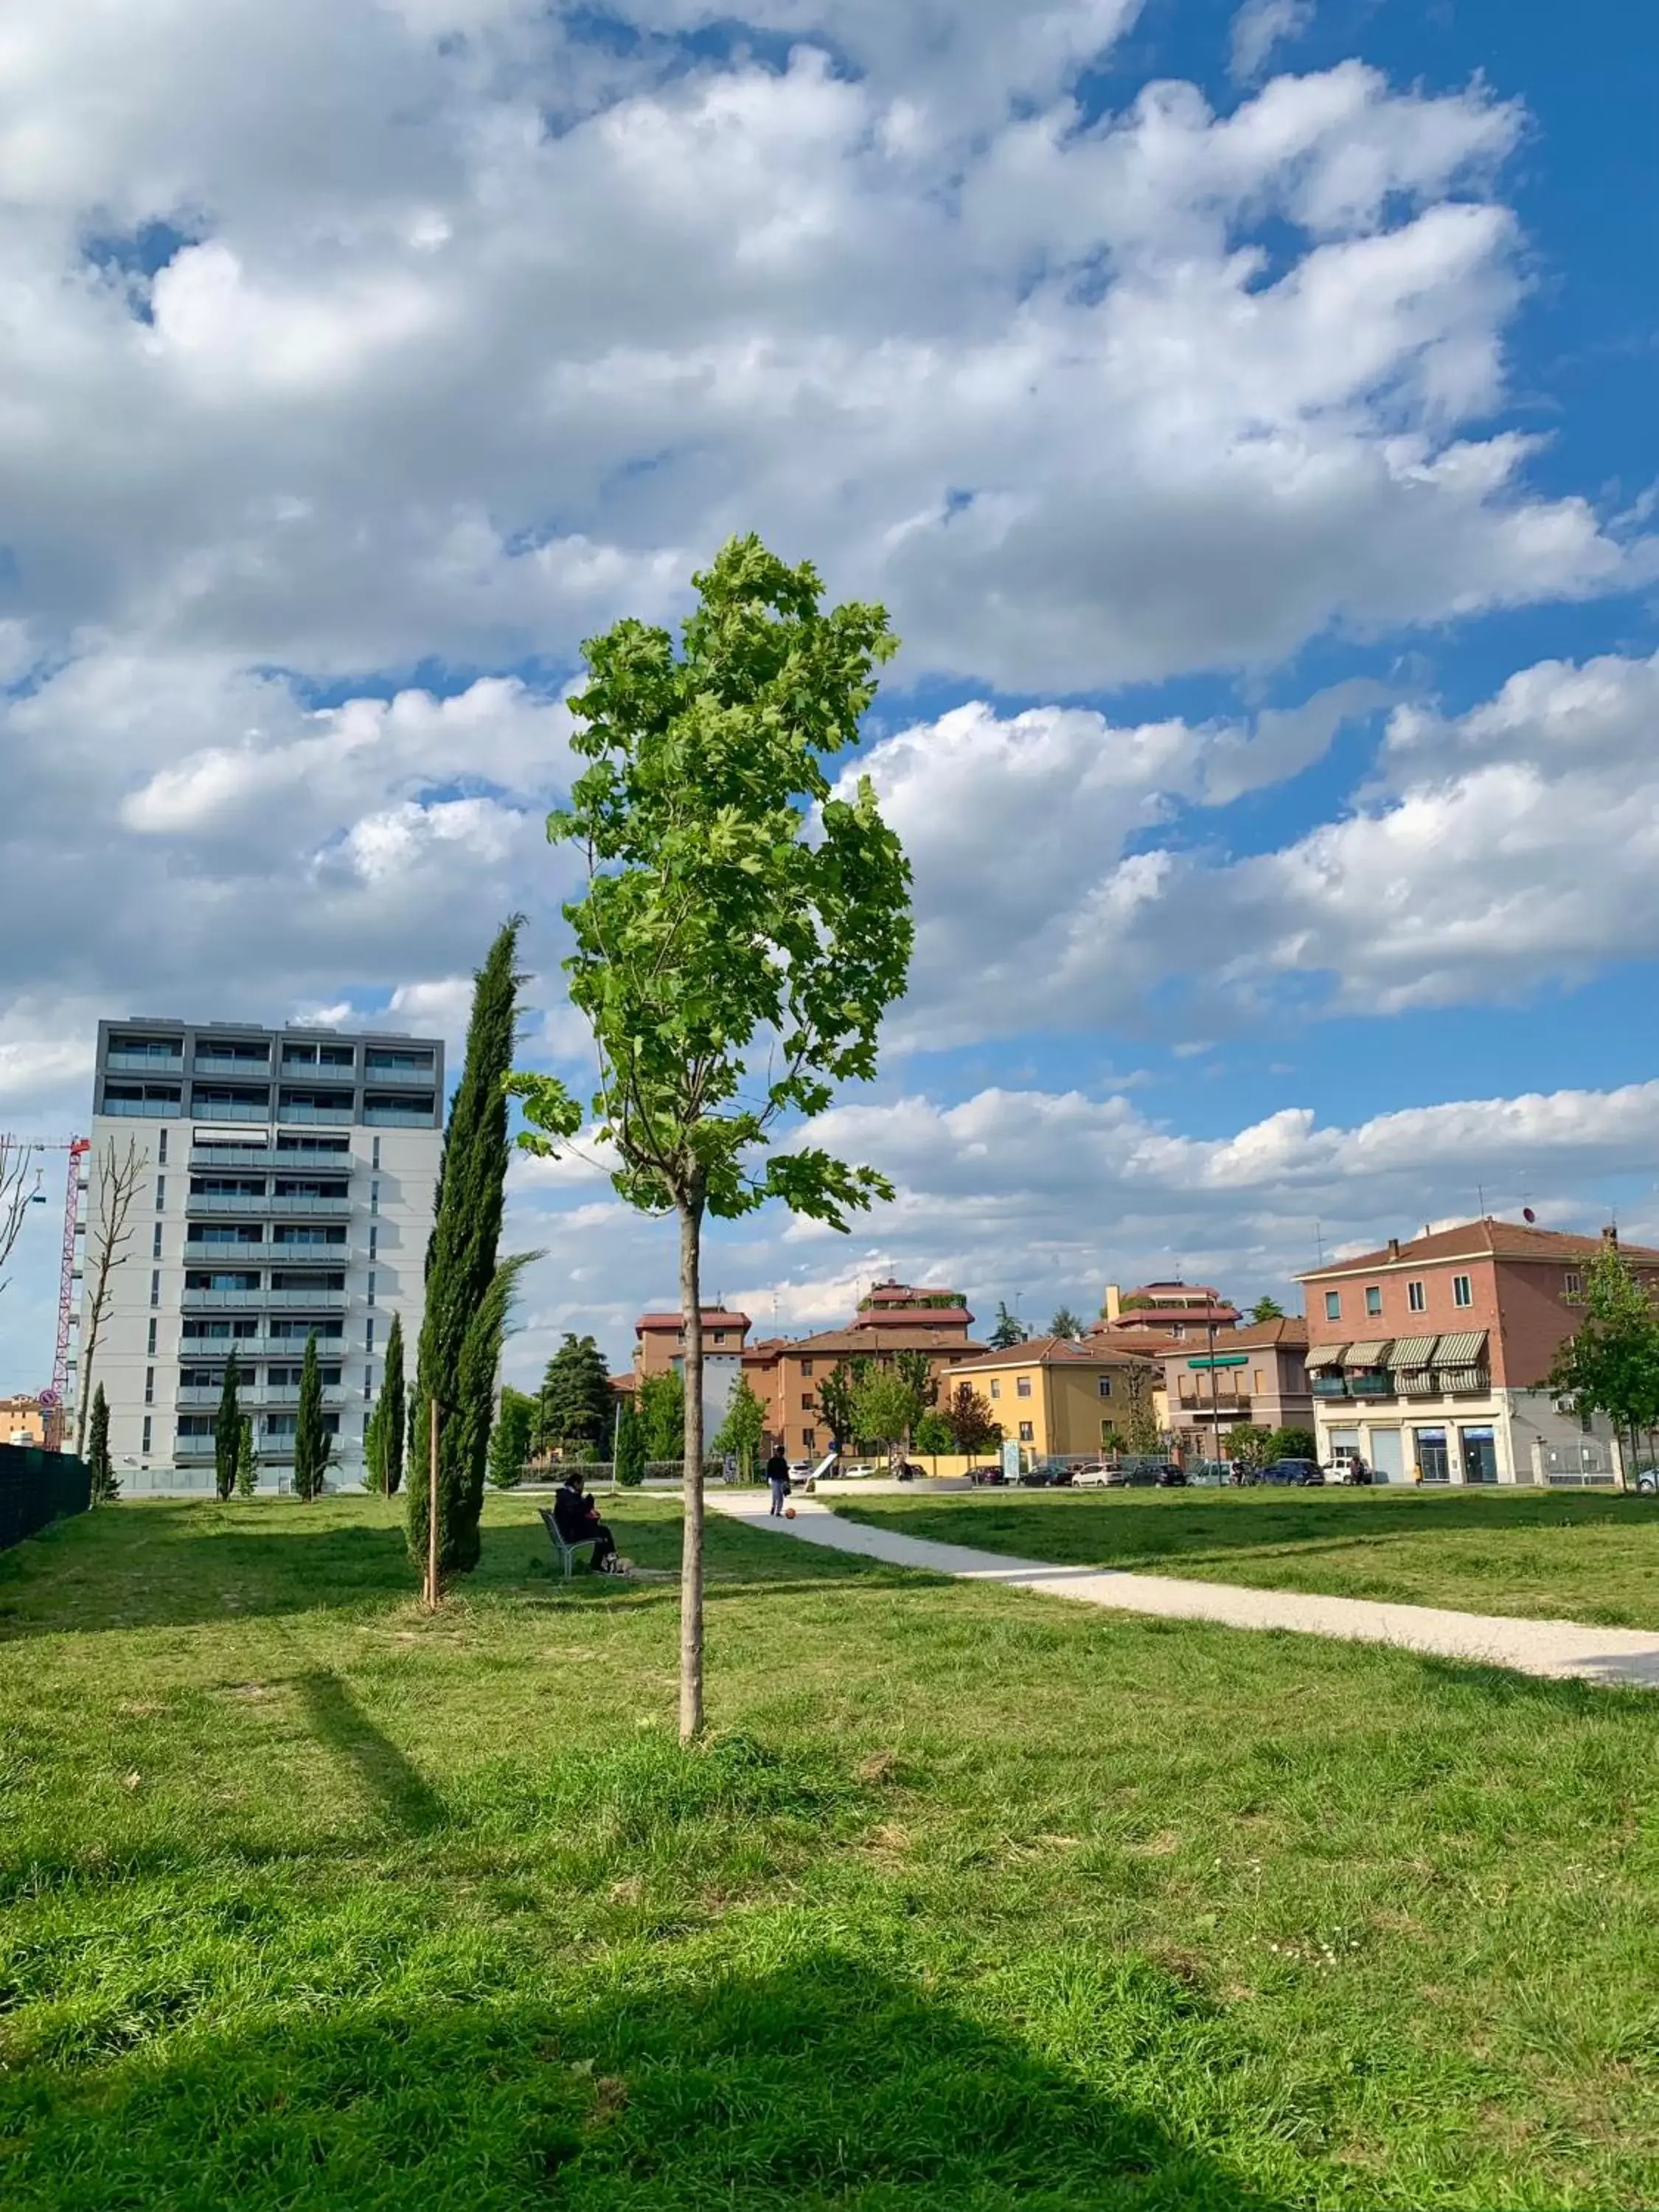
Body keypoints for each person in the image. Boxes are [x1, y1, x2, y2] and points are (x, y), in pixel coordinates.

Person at [553, 1467, 619, 1573]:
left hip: (567, 1531)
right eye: (582, 1484)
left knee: (602, 1531)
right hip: (571, 1534)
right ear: (576, 1483)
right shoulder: (568, 1497)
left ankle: (603, 1562)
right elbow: (577, 1513)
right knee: (603, 1532)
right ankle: (611, 1561)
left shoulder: (565, 1495)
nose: (583, 1487)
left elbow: (576, 1514)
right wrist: (589, 1503)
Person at [765, 1446, 791, 1517]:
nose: (782, 1454)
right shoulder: (772, 1460)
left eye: (783, 1452)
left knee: (780, 1496)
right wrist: (767, 1480)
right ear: (778, 1452)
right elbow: (768, 1470)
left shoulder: (783, 1461)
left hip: (782, 1480)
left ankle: (778, 1511)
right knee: (776, 1496)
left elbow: (785, 1472)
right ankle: (773, 1507)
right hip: (774, 1480)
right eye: (781, 1452)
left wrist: (788, 1481)